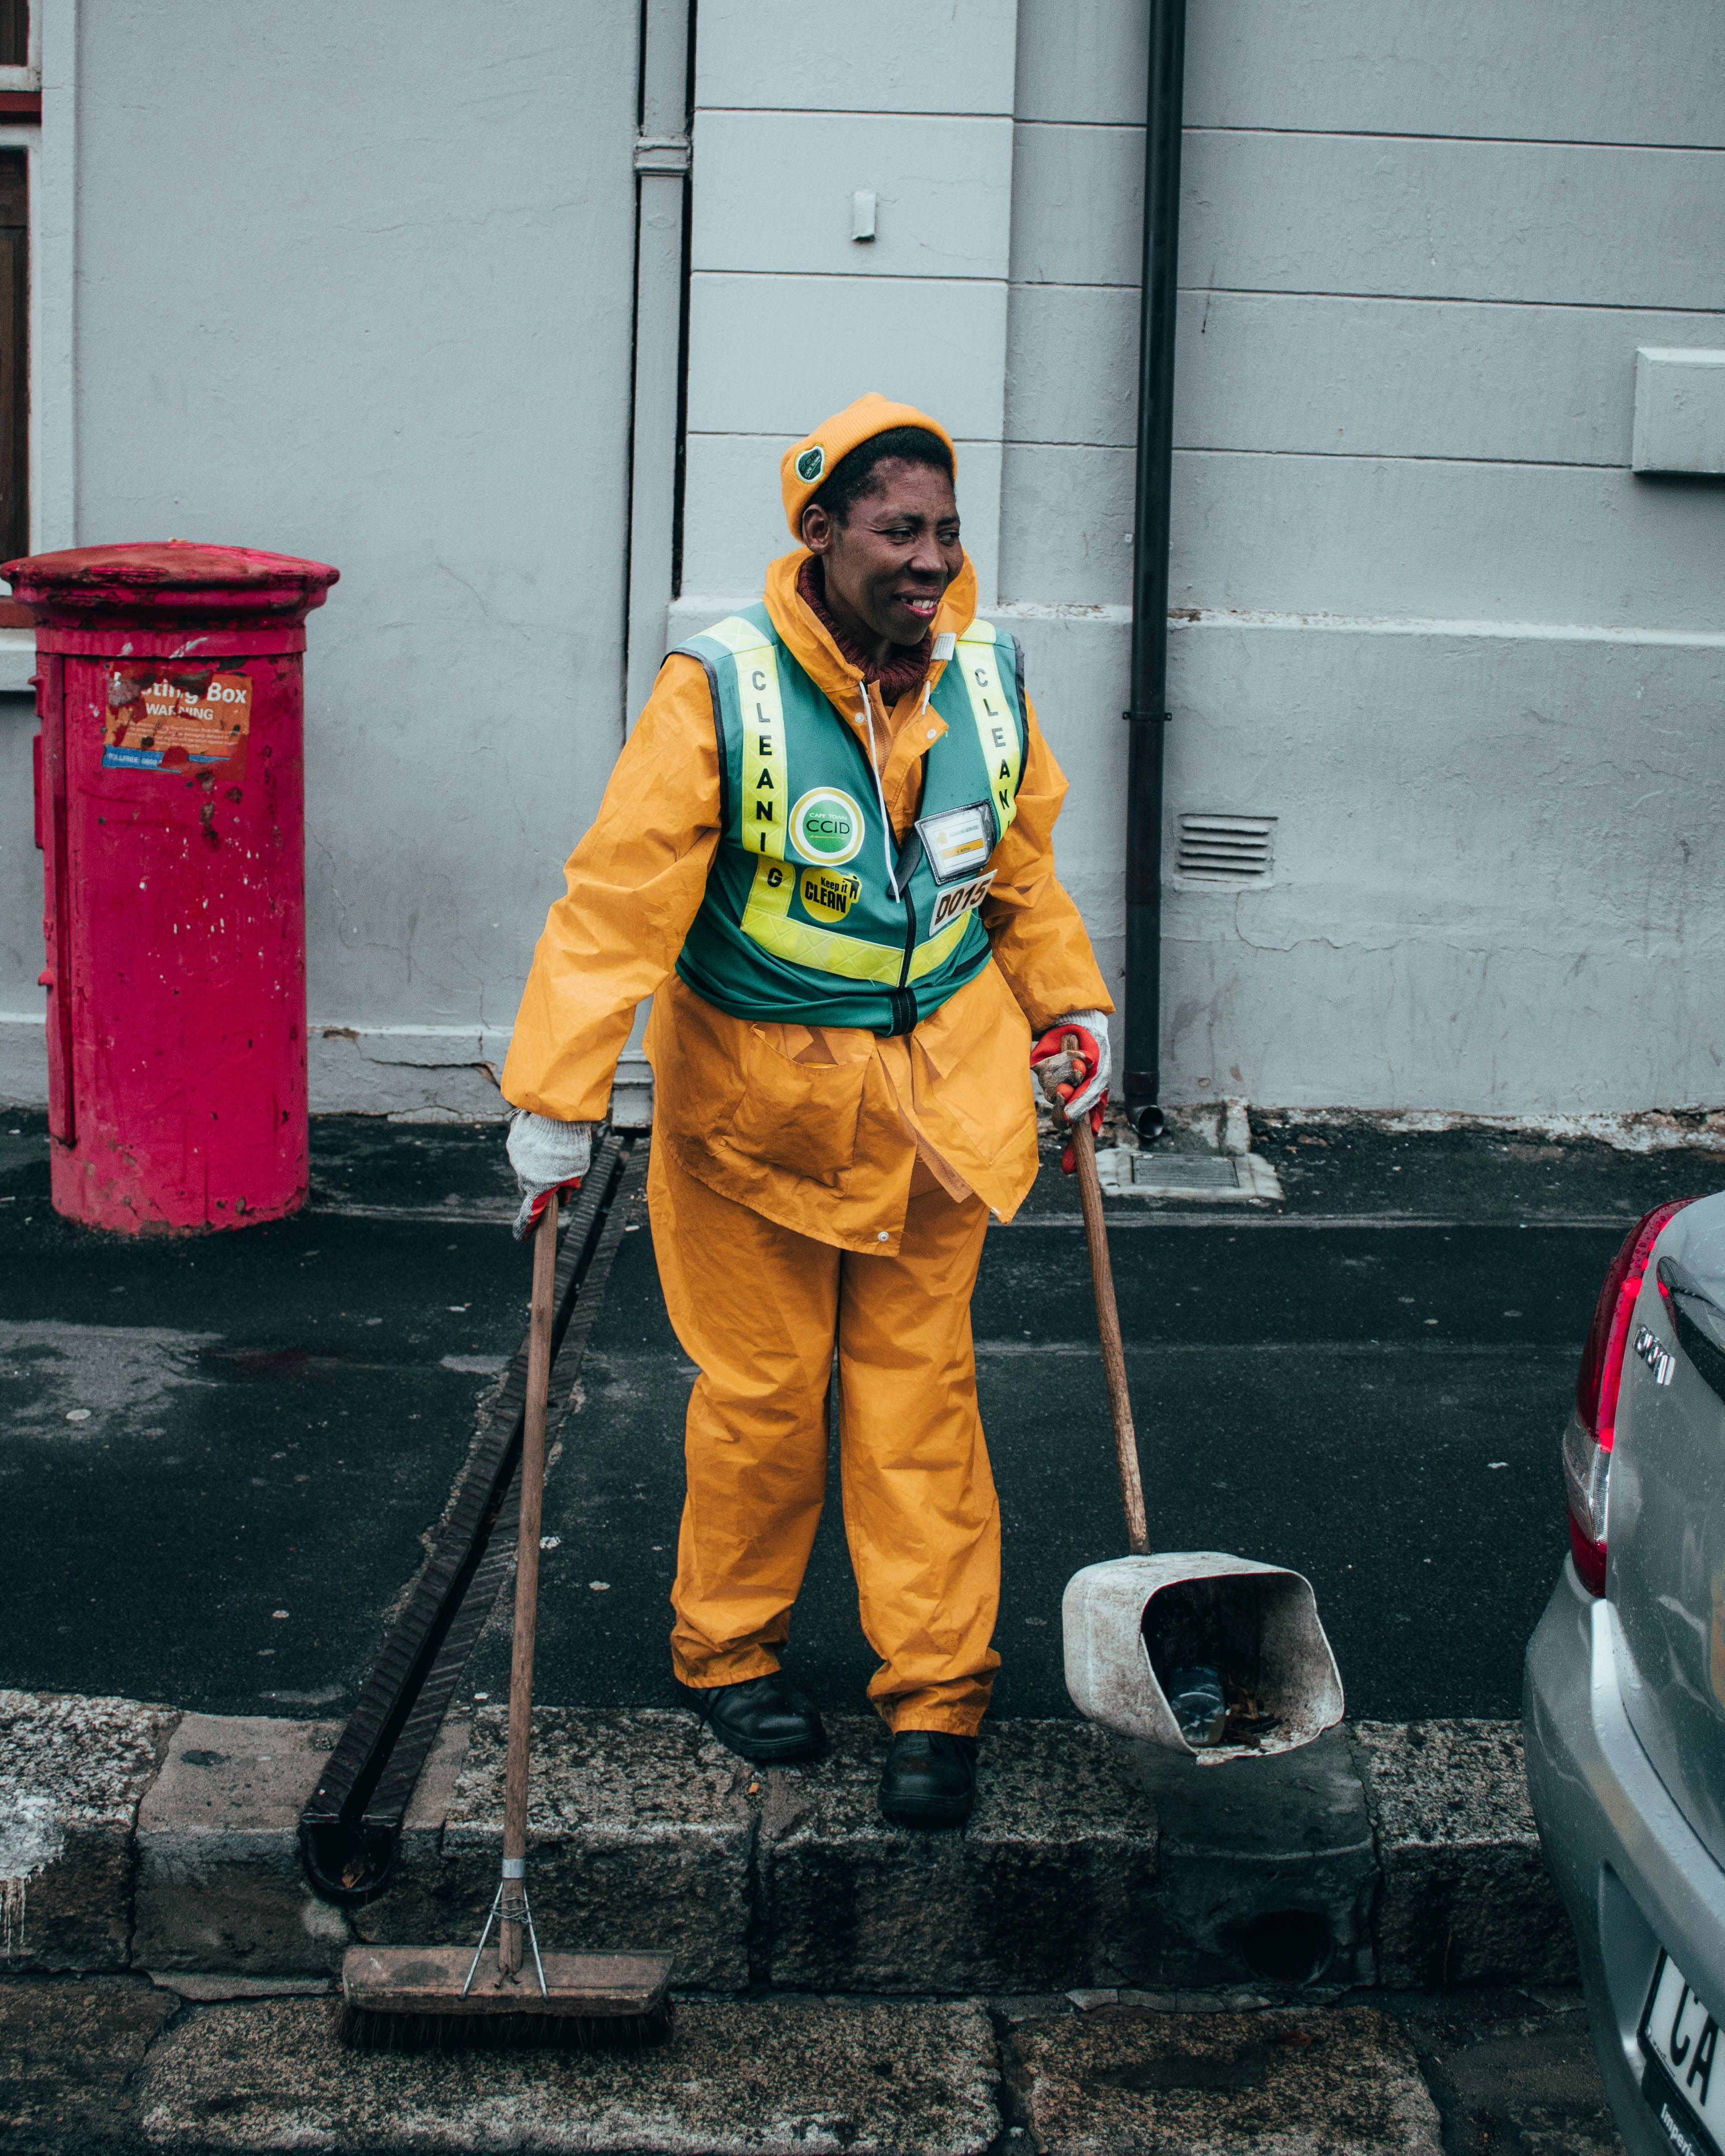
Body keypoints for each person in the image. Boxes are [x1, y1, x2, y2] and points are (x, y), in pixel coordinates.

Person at [500, 393, 1112, 1828]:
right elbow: (616, 905)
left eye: (949, 531)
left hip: (937, 1114)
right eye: (903, 530)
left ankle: (937, 1696)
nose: (934, 559)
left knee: (922, 1412)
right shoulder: (721, 689)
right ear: (822, 533)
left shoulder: (990, 675)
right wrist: (557, 1100)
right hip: (754, 1124)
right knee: (763, 1405)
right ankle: (726, 1654)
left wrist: (1067, 1007)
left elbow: (1015, 870)